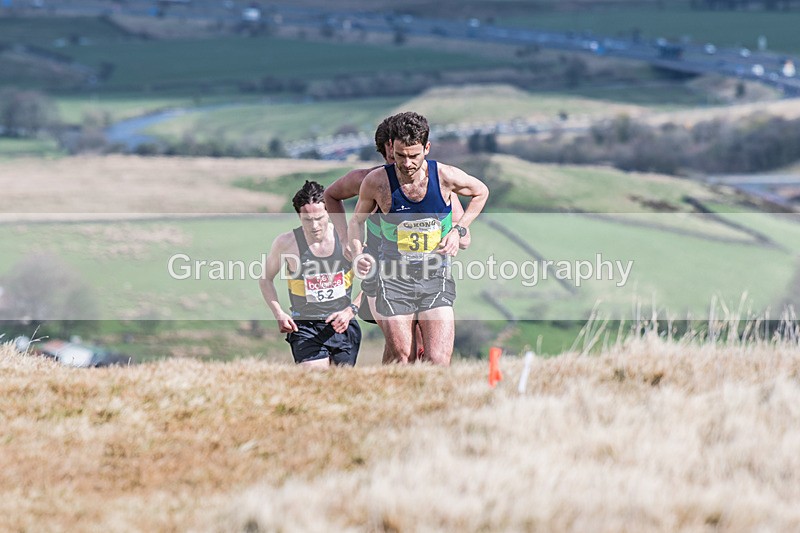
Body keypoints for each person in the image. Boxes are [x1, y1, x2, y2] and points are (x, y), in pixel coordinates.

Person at [325, 114, 471, 363]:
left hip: (425, 272)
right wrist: (344, 239)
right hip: (380, 274)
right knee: (402, 350)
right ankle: (395, 381)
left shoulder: (434, 182)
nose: (404, 165)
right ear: (387, 150)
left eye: (411, 156)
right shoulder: (369, 181)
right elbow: (330, 195)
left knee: (424, 346)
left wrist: (455, 233)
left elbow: (465, 236)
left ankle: (421, 383)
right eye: (395, 156)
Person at [259, 180, 362, 367]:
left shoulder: (347, 240)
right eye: (307, 220)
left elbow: (375, 281)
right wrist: (279, 313)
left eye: (319, 218)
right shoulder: (286, 243)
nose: (314, 225)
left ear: (329, 213)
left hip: (342, 324)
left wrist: (350, 311)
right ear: (299, 216)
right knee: (315, 378)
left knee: (341, 382)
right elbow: (266, 279)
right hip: (305, 327)